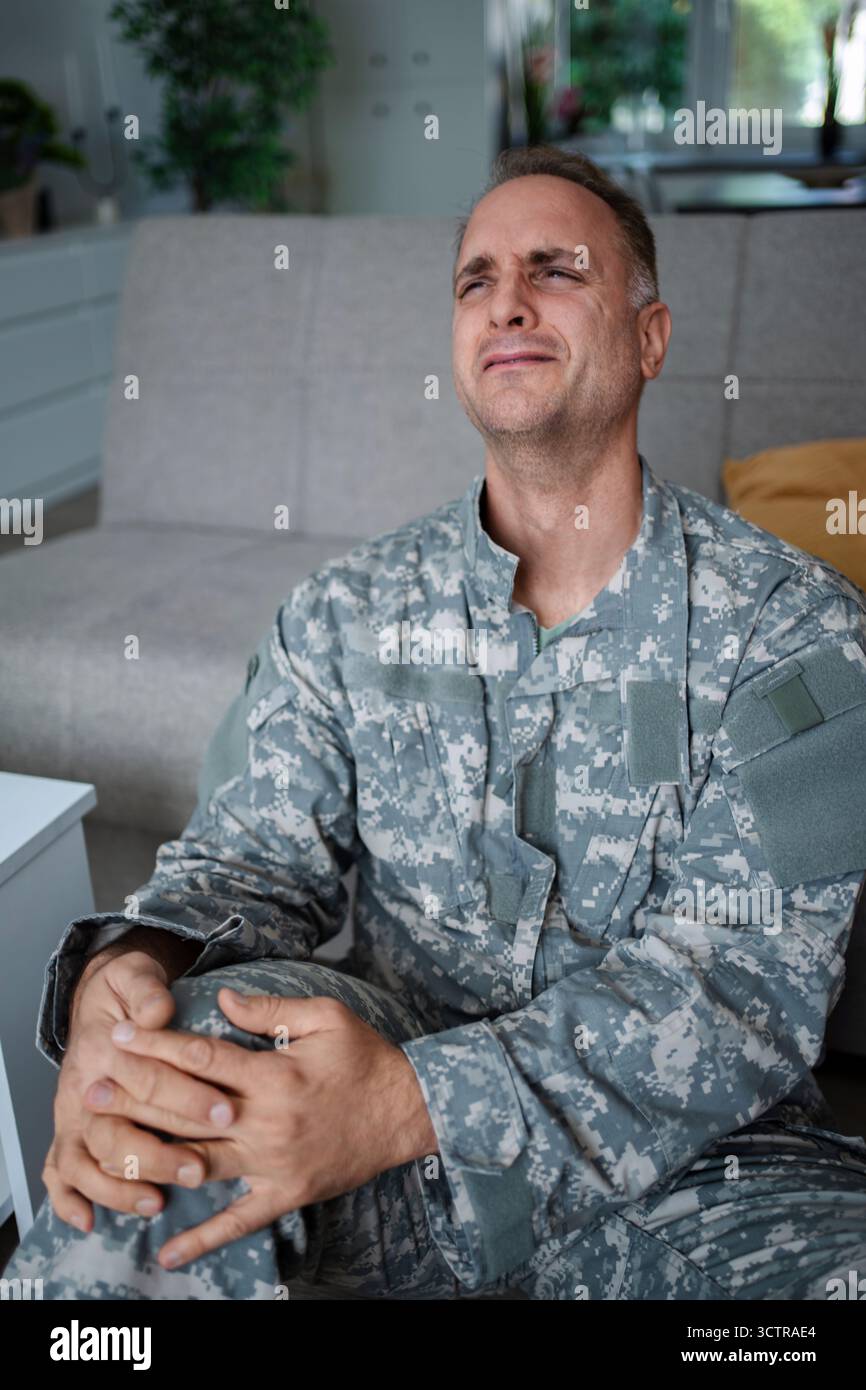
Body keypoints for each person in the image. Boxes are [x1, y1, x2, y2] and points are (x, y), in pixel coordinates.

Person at [7, 146, 866, 1301]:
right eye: (475, 280)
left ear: (650, 336)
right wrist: (138, 961)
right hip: (367, 1109)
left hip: (699, 1173)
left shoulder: (796, 632)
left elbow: (734, 992)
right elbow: (252, 859)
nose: (505, 299)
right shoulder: (345, 612)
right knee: (180, 1060)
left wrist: (419, 1104)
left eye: (555, 269)